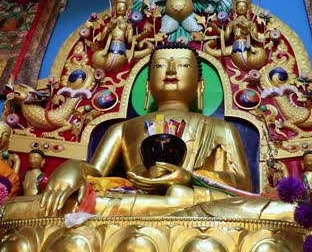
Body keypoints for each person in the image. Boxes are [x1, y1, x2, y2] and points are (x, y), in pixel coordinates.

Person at [40, 42, 253, 217]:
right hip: (135, 199)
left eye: (182, 66)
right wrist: (73, 169)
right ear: (148, 86)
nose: (170, 71)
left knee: (264, 209)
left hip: (191, 199)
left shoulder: (221, 128)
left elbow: (244, 187)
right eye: (160, 66)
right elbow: (96, 173)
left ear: (200, 86)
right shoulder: (121, 129)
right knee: (78, 203)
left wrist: (189, 178)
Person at [92, 0, 153, 72]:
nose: (120, 9)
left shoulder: (128, 25)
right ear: (114, 8)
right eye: (118, 7)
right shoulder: (110, 23)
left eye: (122, 7)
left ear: (127, 10)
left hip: (121, 51)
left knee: (112, 63)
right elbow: (102, 38)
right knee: (96, 57)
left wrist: (143, 34)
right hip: (109, 49)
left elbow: (130, 40)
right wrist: (108, 27)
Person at [205, 0, 266, 70]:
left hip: (247, 46)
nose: (241, 8)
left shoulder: (251, 23)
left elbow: (255, 37)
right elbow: (226, 37)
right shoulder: (232, 23)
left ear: (247, 9)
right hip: (235, 45)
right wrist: (217, 29)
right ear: (235, 9)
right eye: (239, 6)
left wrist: (247, 30)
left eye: (243, 6)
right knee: (213, 51)